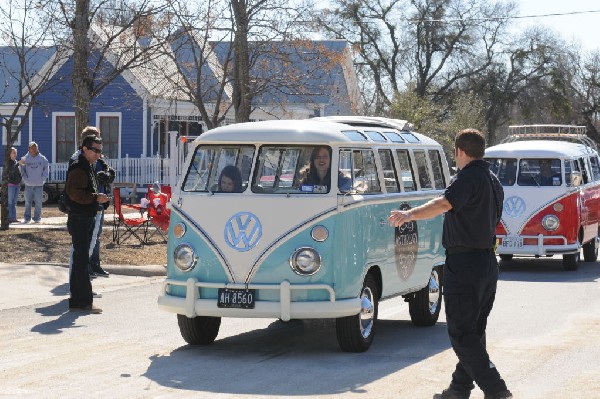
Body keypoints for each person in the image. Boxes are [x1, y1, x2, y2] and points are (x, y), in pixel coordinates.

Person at [388, 129, 512, 399]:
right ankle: (459, 389)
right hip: (487, 262)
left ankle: (497, 390)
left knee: (461, 333)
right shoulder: (493, 180)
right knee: (474, 331)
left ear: (459, 151)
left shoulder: (468, 177)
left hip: (465, 263)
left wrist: (408, 215)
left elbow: (444, 203)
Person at [65, 134, 109, 313]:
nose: (98, 154)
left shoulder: (88, 166)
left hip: (84, 216)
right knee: (82, 261)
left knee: (79, 261)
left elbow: (86, 193)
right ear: (85, 149)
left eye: (100, 151)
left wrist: (100, 200)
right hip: (79, 218)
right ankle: (84, 302)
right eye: (95, 150)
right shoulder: (79, 167)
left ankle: (77, 301)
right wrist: (95, 198)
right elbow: (73, 194)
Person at [70, 126, 115, 278]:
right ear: (86, 142)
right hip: (84, 207)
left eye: (98, 138)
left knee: (96, 235)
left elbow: (109, 171)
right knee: (85, 240)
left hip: (98, 203)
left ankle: (94, 264)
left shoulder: (99, 158)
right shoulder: (77, 159)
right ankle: (84, 269)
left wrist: (107, 175)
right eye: (93, 138)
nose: (97, 150)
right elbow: (76, 189)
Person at [18, 141, 49, 223]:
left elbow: (46, 168)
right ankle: (27, 218)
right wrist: (24, 178)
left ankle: (37, 218)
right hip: (28, 185)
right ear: (29, 149)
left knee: (38, 202)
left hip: (39, 184)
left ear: (37, 148)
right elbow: (21, 169)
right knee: (28, 202)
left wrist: (43, 179)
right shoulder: (24, 158)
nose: (34, 149)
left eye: (35, 148)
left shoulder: (42, 158)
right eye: (32, 148)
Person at [6, 147, 22, 223]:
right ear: (10, 154)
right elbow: (11, 171)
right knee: (10, 202)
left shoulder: (16, 162)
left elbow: (19, 173)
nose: (15, 154)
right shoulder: (8, 162)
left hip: (17, 185)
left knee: (14, 202)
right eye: (13, 153)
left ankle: (14, 218)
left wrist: (20, 180)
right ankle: (9, 218)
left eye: (16, 152)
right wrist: (18, 163)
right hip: (11, 185)